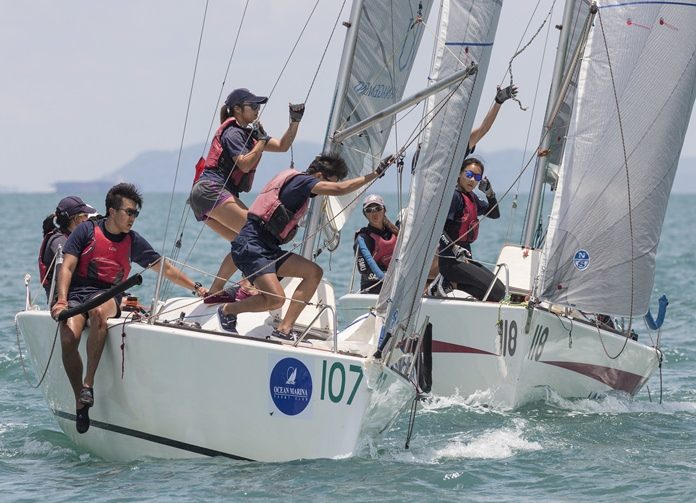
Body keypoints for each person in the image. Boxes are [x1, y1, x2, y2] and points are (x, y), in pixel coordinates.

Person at [50, 183, 209, 434]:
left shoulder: (132, 241)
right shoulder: (86, 230)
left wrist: (196, 287)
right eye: (129, 212)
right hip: (78, 295)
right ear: (112, 211)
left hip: (107, 295)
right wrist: (61, 301)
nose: (133, 218)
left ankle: (88, 385)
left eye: (136, 213)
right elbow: (67, 267)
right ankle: (80, 399)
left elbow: (164, 268)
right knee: (69, 337)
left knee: (99, 312)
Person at [217, 154, 395, 340]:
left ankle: (284, 329)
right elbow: (340, 189)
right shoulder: (301, 181)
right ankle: (228, 310)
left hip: (268, 248)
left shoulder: (299, 186)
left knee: (313, 272)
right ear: (318, 176)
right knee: (276, 299)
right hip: (252, 245)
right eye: (329, 182)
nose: (326, 190)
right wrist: (375, 173)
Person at [189, 88, 305, 303]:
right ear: (237, 109)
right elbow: (244, 163)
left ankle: (215, 290)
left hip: (204, 196)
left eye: (258, 106)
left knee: (241, 241)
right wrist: (260, 141)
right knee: (257, 235)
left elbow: (282, 146)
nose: (257, 110)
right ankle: (248, 285)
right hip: (211, 190)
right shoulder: (233, 132)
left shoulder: (250, 135)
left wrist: (294, 122)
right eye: (252, 106)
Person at [437, 157, 505, 301]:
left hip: (465, 259)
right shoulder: (454, 197)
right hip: (451, 261)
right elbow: (438, 229)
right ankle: (444, 283)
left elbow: (495, 214)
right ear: (459, 173)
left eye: (477, 177)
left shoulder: (472, 198)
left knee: (498, 291)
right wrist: (453, 247)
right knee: (497, 291)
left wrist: (490, 194)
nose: (472, 180)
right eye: (469, 174)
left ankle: (450, 285)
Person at [38, 196, 96, 302]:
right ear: (75, 219)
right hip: (64, 298)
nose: (88, 220)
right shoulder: (58, 241)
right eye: (85, 216)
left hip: (80, 292)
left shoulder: (73, 237)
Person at [353, 194, 399, 294]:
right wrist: (386, 277)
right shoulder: (363, 238)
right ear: (365, 214)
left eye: (378, 208)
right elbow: (364, 271)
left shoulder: (395, 232)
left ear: (384, 210)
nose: (374, 213)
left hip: (396, 287)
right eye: (369, 210)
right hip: (372, 290)